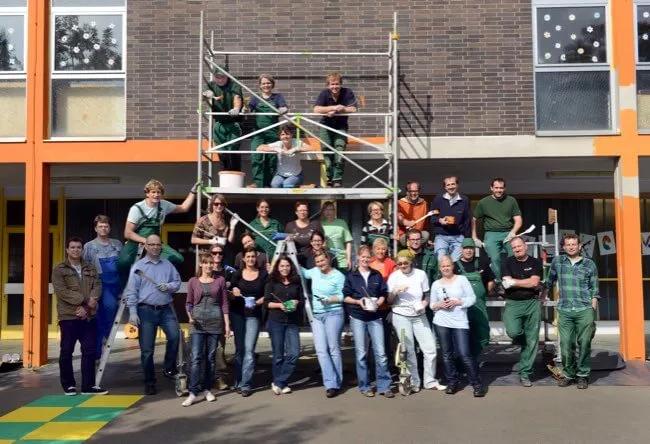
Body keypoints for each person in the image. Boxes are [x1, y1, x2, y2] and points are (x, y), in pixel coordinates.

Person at [124, 234, 182, 395]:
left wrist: (169, 286)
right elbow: (131, 292)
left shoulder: (168, 265)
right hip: (146, 311)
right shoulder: (138, 267)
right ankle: (149, 382)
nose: (155, 247)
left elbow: (177, 283)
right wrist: (133, 313)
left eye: (158, 244)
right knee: (147, 350)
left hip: (165, 309)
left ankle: (169, 368)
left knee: (175, 336)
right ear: (146, 246)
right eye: (152, 244)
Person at [53, 237, 107, 396]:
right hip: (69, 317)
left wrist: (91, 302)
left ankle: (88, 386)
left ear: (82, 250)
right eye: (73, 247)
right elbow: (62, 292)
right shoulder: (59, 269)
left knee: (89, 351)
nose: (76, 250)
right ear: (67, 250)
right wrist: (85, 302)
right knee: (66, 351)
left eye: (78, 247)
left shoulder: (90, 268)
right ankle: (68, 385)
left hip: (88, 316)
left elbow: (97, 286)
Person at [387, 250, 445, 392]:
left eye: (405, 262)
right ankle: (414, 382)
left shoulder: (420, 274)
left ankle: (430, 381)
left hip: (419, 315)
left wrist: (424, 304)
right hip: (400, 314)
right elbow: (389, 301)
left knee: (430, 348)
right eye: (399, 263)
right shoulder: (394, 277)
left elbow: (427, 295)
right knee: (409, 350)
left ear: (411, 261)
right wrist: (395, 291)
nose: (402, 265)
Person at [546, 234, 599, 389]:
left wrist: (592, 308)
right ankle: (569, 374)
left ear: (579, 246)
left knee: (584, 344)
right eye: (568, 244)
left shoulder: (589, 264)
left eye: (574, 244)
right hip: (565, 309)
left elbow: (595, 289)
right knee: (566, 344)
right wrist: (542, 294)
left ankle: (582, 375)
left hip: (584, 309)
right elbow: (550, 280)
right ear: (563, 247)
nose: (571, 247)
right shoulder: (557, 262)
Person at [118, 179, 197, 284]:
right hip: (136, 241)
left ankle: (160, 278)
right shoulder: (137, 208)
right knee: (123, 263)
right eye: (153, 192)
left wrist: (193, 192)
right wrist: (146, 241)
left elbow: (183, 208)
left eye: (158, 192)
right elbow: (127, 233)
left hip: (156, 243)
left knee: (178, 258)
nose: (156, 195)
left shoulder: (164, 205)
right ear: (147, 193)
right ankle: (124, 289)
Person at [430, 256, 486, 397]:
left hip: (459, 321)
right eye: (443, 266)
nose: (446, 268)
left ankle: (477, 384)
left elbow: (472, 298)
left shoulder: (462, 280)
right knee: (446, 354)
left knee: (464, 354)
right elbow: (432, 304)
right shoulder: (436, 284)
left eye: (448, 265)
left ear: (452, 266)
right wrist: (439, 304)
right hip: (441, 321)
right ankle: (452, 382)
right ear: (439, 268)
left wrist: (458, 302)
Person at [343, 245, 394, 398]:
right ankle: (365, 386)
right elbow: (345, 296)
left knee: (381, 353)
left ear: (370, 259)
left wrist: (378, 302)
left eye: (368, 257)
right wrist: (359, 302)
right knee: (361, 353)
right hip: (357, 317)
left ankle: (384, 385)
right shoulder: (351, 276)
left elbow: (384, 293)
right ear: (358, 258)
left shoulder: (376, 275)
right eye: (363, 257)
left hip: (375, 316)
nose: (365, 259)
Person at [183, 254, 231, 406]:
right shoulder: (193, 281)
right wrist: (190, 316)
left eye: (211, 263)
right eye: (206, 263)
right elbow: (189, 303)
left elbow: (224, 303)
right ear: (201, 265)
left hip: (215, 322)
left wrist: (227, 325)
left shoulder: (220, 280)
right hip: (197, 323)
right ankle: (192, 391)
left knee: (210, 358)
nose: (209, 265)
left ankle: (207, 389)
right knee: (196, 357)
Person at [301, 251, 346, 398]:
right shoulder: (314, 272)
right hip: (318, 315)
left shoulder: (338, 276)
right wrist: (290, 254)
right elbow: (303, 272)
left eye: (322, 260)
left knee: (333, 348)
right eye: (318, 261)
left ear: (329, 260)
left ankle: (337, 382)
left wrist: (329, 299)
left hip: (334, 313)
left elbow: (343, 295)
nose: (320, 264)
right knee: (321, 350)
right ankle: (330, 383)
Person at [501, 236, 543, 387]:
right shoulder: (507, 262)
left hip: (532, 303)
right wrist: (522, 283)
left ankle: (525, 373)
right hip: (513, 304)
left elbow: (534, 282)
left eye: (519, 246)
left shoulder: (535, 262)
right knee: (513, 332)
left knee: (532, 340)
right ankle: (525, 341)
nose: (517, 249)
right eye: (514, 248)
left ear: (526, 247)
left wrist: (515, 282)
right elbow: (506, 283)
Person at [82, 215, 123, 357]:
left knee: (110, 314)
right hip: (99, 285)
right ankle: (98, 350)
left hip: (116, 285)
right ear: (95, 228)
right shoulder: (89, 246)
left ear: (109, 227)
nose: (103, 228)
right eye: (100, 226)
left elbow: (123, 266)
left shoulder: (117, 244)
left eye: (106, 226)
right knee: (100, 315)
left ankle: (104, 341)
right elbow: (85, 269)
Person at [229, 246, 267, 397]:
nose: (250, 259)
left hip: (254, 315)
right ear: (243, 259)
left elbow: (268, 294)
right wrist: (234, 293)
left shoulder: (263, 274)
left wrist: (256, 302)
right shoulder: (237, 275)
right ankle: (238, 380)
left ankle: (245, 384)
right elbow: (230, 294)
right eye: (248, 256)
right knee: (239, 350)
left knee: (249, 350)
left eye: (253, 256)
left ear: (256, 258)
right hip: (238, 314)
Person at [265, 255, 304, 395]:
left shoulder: (296, 280)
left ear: (291, 266)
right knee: (278, 355)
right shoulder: (272, 281)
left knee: (294, 352)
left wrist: (296, 303)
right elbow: (267, 302)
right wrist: (279, 305)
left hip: (292, 321)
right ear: (277, 267)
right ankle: (282, 383)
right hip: (276, 320)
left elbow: (301, 300)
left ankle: (278, 382)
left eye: (287, 265)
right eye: (282, 266)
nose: (284, 268)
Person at [472, 178, 522, 281]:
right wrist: (474, 237)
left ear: (505, 188)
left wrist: (513, 232)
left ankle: (516, 280)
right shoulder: (483, 202)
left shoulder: (511, 200)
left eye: (501, 188)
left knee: (516, 255)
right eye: (496, 188)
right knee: (494, 259)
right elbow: (473, 219)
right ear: (491, 188)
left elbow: (518, 219)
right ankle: (501, 282)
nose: (499, 190)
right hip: (491, 234)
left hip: (508, 232)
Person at [313, 72, 358, 187]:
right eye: (332, 84)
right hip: (326, 126)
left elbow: (353, 109)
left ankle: (337, 179)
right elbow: (316, 109)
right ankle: (329, 178)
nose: (334, 87)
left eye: (337, 84)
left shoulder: (347, 92)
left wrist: (341, 109)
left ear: (341, 84)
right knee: (327, 151)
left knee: (339, 150)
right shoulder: (324, 93)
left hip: (340, 127)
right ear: (328, 85)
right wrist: (333, 108)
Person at [454, 238, 494, 357]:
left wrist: (484, 292)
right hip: (461, 307)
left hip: (479, 305)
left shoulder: (482, 262)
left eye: (471, 248)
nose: (468, 251)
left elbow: (491, 280)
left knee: (482, 334)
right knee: (463, 335)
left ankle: (474, 359)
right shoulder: (455, 266)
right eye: (466, 248)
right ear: (461, 250)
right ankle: (464, 363)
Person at [249, 74, 289, 187]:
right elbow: (249, 109)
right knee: (256, 157)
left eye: (268, 83)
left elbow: (283, 107)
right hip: (258, 133)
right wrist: (245, 109)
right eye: (263, 83)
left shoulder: (277, 97)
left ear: (272, 84)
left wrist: (283, 109)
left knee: (271, 160)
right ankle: (258, 183)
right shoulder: (255, 98)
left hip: (272, 133)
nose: (266, 85)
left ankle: (269, 184)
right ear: (260, 85)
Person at [203, 71, 243, 171]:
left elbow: (237, 97)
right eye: (217, 77)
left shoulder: (233, 85)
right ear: (214, 77)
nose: (220, 80)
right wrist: (206, 95)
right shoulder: (211, 85)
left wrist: (236, 108)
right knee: (221, 150)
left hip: (233, 122)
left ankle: (235, 173)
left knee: (233, 150)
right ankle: (224, 172)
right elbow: (203, 97)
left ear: (227, 77)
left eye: (223, 77)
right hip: (219, 123)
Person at [210, 245, 236, 390]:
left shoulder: (230, 271)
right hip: (206, 314)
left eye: (220, 253)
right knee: (211, 348)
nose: (217, 255)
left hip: (222, 314)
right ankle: (210, 376)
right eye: (214, 253)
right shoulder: (205, 270)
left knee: (220, 346)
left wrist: (232, 293)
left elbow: (235, 290)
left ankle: (218, 377)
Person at [430, 175, 472, 261]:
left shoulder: (464, 200)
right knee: (441, 261)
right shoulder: (438, 199)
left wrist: (467, 238)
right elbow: (432, 217)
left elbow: (467, 220)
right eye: (448, 185)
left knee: (455, 262)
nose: (451, 187)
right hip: (441, 236)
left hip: (458, 236)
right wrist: (440, 220)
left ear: (457, 185)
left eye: (453, 184)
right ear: (445, 187)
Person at [320, 201, 352, 271]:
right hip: (328, 262)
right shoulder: (321, 225)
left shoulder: (342, 223)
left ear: (335, 211)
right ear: (323, 211)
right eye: (326, 210)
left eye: (331, 209)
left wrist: (348, 259)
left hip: (342, 261)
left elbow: (348, 242)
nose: (328, 212)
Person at [397, 181, 430, 245]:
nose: (413, 193)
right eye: (411, 191)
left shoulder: (424, 203)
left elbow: (426, 223)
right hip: (405, 236)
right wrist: (406, 222)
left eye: (416, 191)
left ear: (419, 191)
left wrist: (427, 240)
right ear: (407, 192)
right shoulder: (400, 203)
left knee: (426, 234)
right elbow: (398, 218)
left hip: (418, 236)